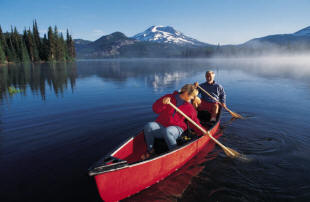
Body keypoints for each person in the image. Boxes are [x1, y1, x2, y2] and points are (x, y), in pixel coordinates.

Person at [142, 84, 206, 159]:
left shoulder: (189, 107)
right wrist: (162, 103)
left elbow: (194, 122)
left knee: (168, 131)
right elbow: (155, 109)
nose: (193, 98)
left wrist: (203, 132)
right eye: (192, 96)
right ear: (186, 93)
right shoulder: (169, 97)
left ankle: (175, 153)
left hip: (177, 129)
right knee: (149, 126)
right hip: (162, 125)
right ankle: (150, 151)